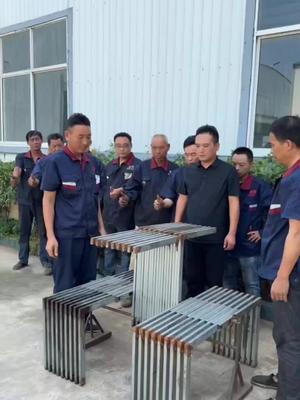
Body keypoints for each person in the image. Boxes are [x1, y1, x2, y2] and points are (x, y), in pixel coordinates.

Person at [251, 116, 300, 400]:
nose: (271, 151)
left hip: (291, 278)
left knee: (289, 340)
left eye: (272, 144)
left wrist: (282, 277)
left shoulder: (297, 180)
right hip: (288, 274)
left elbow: (296, 233)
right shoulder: (290, 176)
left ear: (289, 144)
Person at [41, 113, 106, 293]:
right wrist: (51, 236)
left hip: (90, 235)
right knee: (65, 286)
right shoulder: (55, 162)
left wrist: (101, 229)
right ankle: (63, 321)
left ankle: (83, 320)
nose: (86, 142)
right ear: (67, 135)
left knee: (87, 284)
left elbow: (96, 199)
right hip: (66, 237)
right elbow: (48, 201)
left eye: (89, 137)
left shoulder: (93, 163)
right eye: (81, 137)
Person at [175, 124, 240, 296]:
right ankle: (191, 318)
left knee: (214, 284)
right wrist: (176, 226)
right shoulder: (188, 172)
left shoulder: (228, 172)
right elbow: (183, 197)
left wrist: (231, 233)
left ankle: (211, 321)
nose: (200, 150)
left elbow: (234, 202)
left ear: (216, 146)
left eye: (206, 146)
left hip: (216, 238)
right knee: (192, 280)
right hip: (191, 236)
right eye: (198, 146)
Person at [223, 147, 272, 296]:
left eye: (241, 165)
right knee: (227, 283)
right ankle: (228, 318)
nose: (236, 168)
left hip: (250, 247)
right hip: (228, 244)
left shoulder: (261, 187)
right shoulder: (226, 185)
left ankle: (252, 319)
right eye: (234, 164)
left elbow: (273, 214)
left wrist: (263, 232)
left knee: (251, 285)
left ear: (251, 165)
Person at [10, 130, 52, 274]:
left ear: (41, 141)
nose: (35, 142)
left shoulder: (46, 159)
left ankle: (45, 261)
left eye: (38, 139)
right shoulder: (21, 157)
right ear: (28, 142)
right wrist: (15, 177)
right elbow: (17, 170)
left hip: (41, 202)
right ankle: (22, 259)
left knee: (43, 232)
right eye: (32, 139)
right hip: (25, 201)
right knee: (24, 231)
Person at [102, 132, 141, 276]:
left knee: (125, 251)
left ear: (131, 146)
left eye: (125, 146)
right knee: (109, 247)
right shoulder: (110, 165)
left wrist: (124, 195)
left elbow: (137, 189)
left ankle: (123, 282)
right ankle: (108, 278)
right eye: (118, 146)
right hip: (109, 215)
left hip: (126, 216)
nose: (122, 149)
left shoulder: (138, 166)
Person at [121, 134, 178, 226]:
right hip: (143, 223)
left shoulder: (175, 170)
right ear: (151, 148)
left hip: (167, 224)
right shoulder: (142, 167)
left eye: (161, 148)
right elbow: (132, 189)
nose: (158, 151)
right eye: (154, 148)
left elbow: (177, 196)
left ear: (168, 147)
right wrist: (127, 198)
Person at [153, 135, 198, 211]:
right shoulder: (177, 174)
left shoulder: (211, 173)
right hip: (180, 219)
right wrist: (162, 203)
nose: (190, 158)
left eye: (193, 154)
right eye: (187, 155)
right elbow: (170, 197)